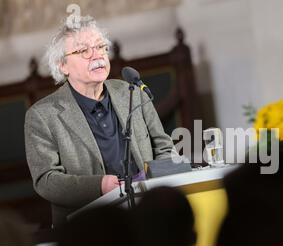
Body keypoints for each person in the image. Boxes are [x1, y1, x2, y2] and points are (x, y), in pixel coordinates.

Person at [24, 16, 177, 227]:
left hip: (148, 216)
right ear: (62, 65)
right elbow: (47, 181)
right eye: (83, 51)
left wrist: (159, 186)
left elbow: (163, 146)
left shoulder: (131, 91)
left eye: (101, 47)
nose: (97, 55)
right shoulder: (42, 115)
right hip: (87, 228)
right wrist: (100, 186)